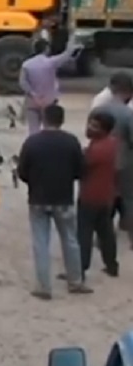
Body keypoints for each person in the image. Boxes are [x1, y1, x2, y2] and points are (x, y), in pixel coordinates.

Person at [16, 104, 92, 298]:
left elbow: (22, 171)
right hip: (63, 197)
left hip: (38, 198)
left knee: (40, 242)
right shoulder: (71, 142)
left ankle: (43, 286)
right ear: (62, 120)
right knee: (70, 239)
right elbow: (80, 170)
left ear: (44, 119)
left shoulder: (32, 142)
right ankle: (75, 281)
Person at [78, 110, 120, 278]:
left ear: (104, 129)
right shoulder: (113, 143)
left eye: (94, 126)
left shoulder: (96, 150)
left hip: (90, 196)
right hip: (107, 195)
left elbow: (82, 167)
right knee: (106, 232)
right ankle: (111, 265)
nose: (89, 128)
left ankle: (80, 267)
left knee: (84, 233)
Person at [93, 72, 133, 246]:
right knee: (128, 199)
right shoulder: (127, 113)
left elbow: (90, 134)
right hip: (124, 162)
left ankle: (101, 236)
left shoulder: (98, 110)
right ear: (126, 91)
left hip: (102, 159)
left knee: (103, 199)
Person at [18, 38, 79, 135]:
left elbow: (22, 83)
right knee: (49, 129)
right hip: (49, 101)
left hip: (32, 101)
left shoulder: (26, 64)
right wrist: (71, 44)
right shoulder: (51, 62)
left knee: (33, 130)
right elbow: (66, 56)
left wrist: (33, 94)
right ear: (46, 49)